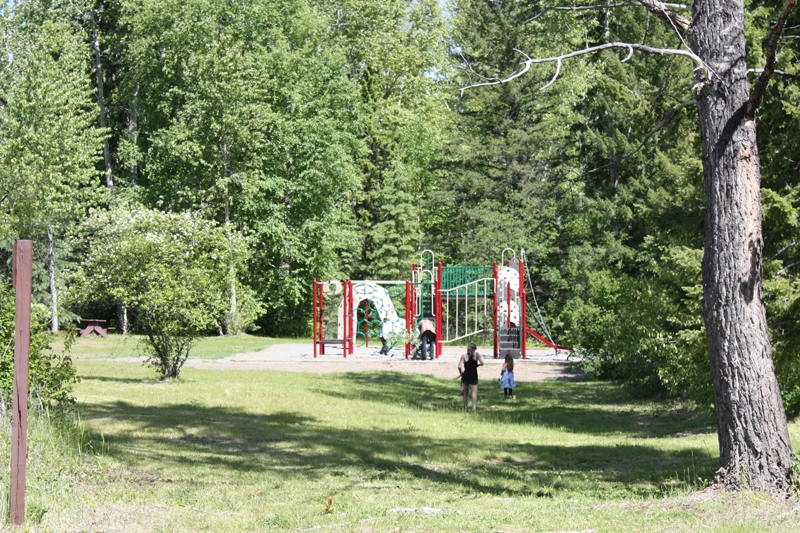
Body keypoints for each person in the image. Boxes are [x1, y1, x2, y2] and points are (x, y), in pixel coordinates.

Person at [458, 343, 484, 412]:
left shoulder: (464, 356)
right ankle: (474, 409)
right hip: (473, 375)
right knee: (474, 394)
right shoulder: (476, 355)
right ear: (474, 349)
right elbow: (482, 363)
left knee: (465, 393)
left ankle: (465, 408)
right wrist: (477, 365)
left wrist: (461, 373)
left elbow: (459, 366)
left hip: (466, 375)